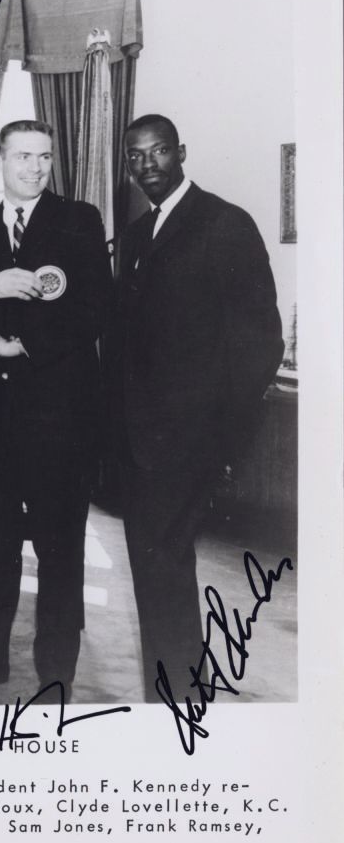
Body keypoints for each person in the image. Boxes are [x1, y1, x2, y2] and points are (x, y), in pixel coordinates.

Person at [0, 120, 113, 699]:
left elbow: (94, 311)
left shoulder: (78, 219)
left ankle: (56, 670)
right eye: (23, 157)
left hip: (59, 415)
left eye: (45, 157)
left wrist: (23, 346)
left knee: (60, 546)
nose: (35, 168)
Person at [107, 114, 283, 703]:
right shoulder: (135, 236)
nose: (146, 165)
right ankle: (174, 696)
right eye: (135, 157)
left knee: (164, 567)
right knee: (157, 572)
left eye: (158, 152)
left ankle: (178, 700)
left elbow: (261, 343)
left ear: (181, 153)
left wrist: (217, 442)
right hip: (139, 446)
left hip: (189, 444)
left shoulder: (224, 223)